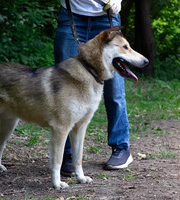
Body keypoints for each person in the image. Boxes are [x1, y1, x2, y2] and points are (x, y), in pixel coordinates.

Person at [54, 0, 133, 176]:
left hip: (107, 17)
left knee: (114, 91)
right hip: (71, 15)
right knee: (64, 88)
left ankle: (121, 147)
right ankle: (67, 154)